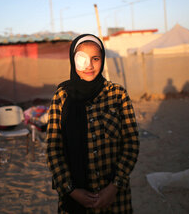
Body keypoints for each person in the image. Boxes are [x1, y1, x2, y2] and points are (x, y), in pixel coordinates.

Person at [46, 34, 139, 213]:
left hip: (115, 199)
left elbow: (131, 143)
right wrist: (71, 190)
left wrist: (114, 186)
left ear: (102, 59)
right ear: (73, 61)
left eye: (95, 58)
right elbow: (53, 147)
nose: (89, 65)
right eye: (82, 58)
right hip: (75, 200)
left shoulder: (117, 95)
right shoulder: (62, 96)